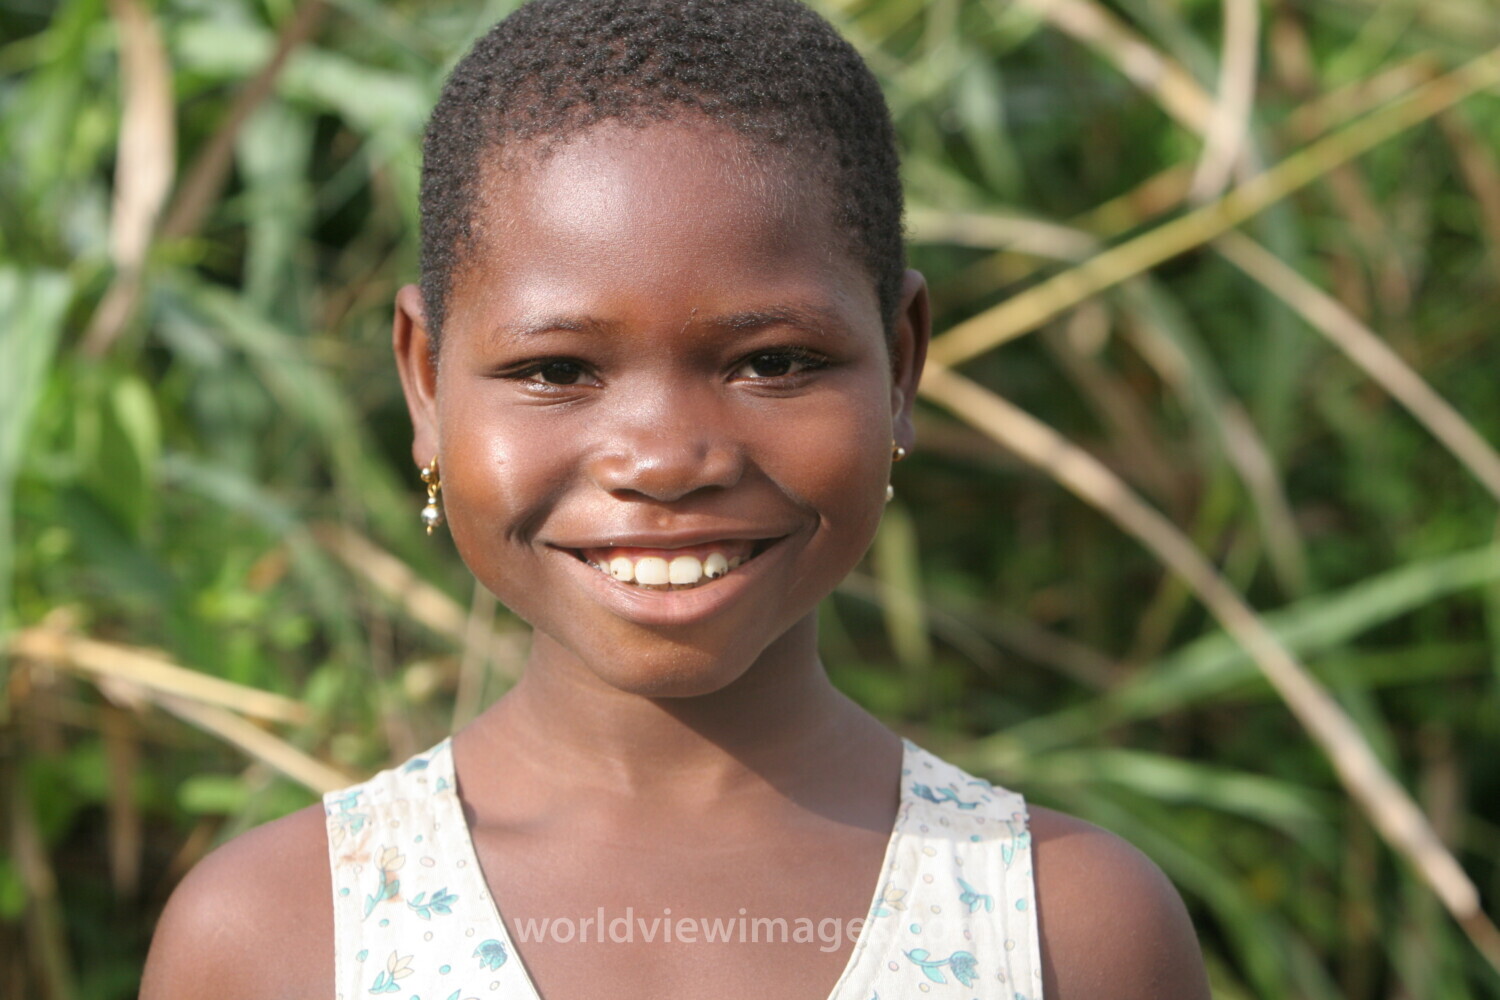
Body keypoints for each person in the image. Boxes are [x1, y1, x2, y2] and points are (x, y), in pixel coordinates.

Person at [140, 1, 1211, 997]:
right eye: (556, 370)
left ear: (899, 365)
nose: (663, 461)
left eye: (775, 362)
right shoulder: (281, 936)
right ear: (425, 380)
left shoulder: (1065, 927)